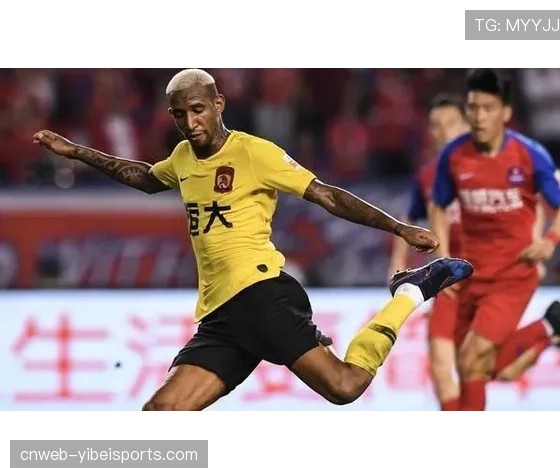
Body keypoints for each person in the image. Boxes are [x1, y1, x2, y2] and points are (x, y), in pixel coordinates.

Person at [33, 68, 474, 412]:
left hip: (260, 295)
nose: (190, 123)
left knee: (345, 386)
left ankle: (409, 293)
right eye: (179, 114)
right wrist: (78, 152)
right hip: (220, 316)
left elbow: (327, 195)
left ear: (218, 104)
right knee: (163, 411)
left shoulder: (254, 153)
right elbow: (146, 178)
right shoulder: (182, 157)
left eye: (198, 110)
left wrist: (399, 228)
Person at [391, 94, 560, 413]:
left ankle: (546, 329)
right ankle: (548, 329)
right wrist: (398, 262)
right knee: (444, 369)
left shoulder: (490, 165)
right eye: (435, 125)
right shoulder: (428, 177)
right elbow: (409, 220)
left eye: (451, 123)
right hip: (450, 281)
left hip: (490, 276)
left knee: (490, 368)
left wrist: (536, 245)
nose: (443, 131)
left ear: (466, 125)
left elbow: (530, 207)